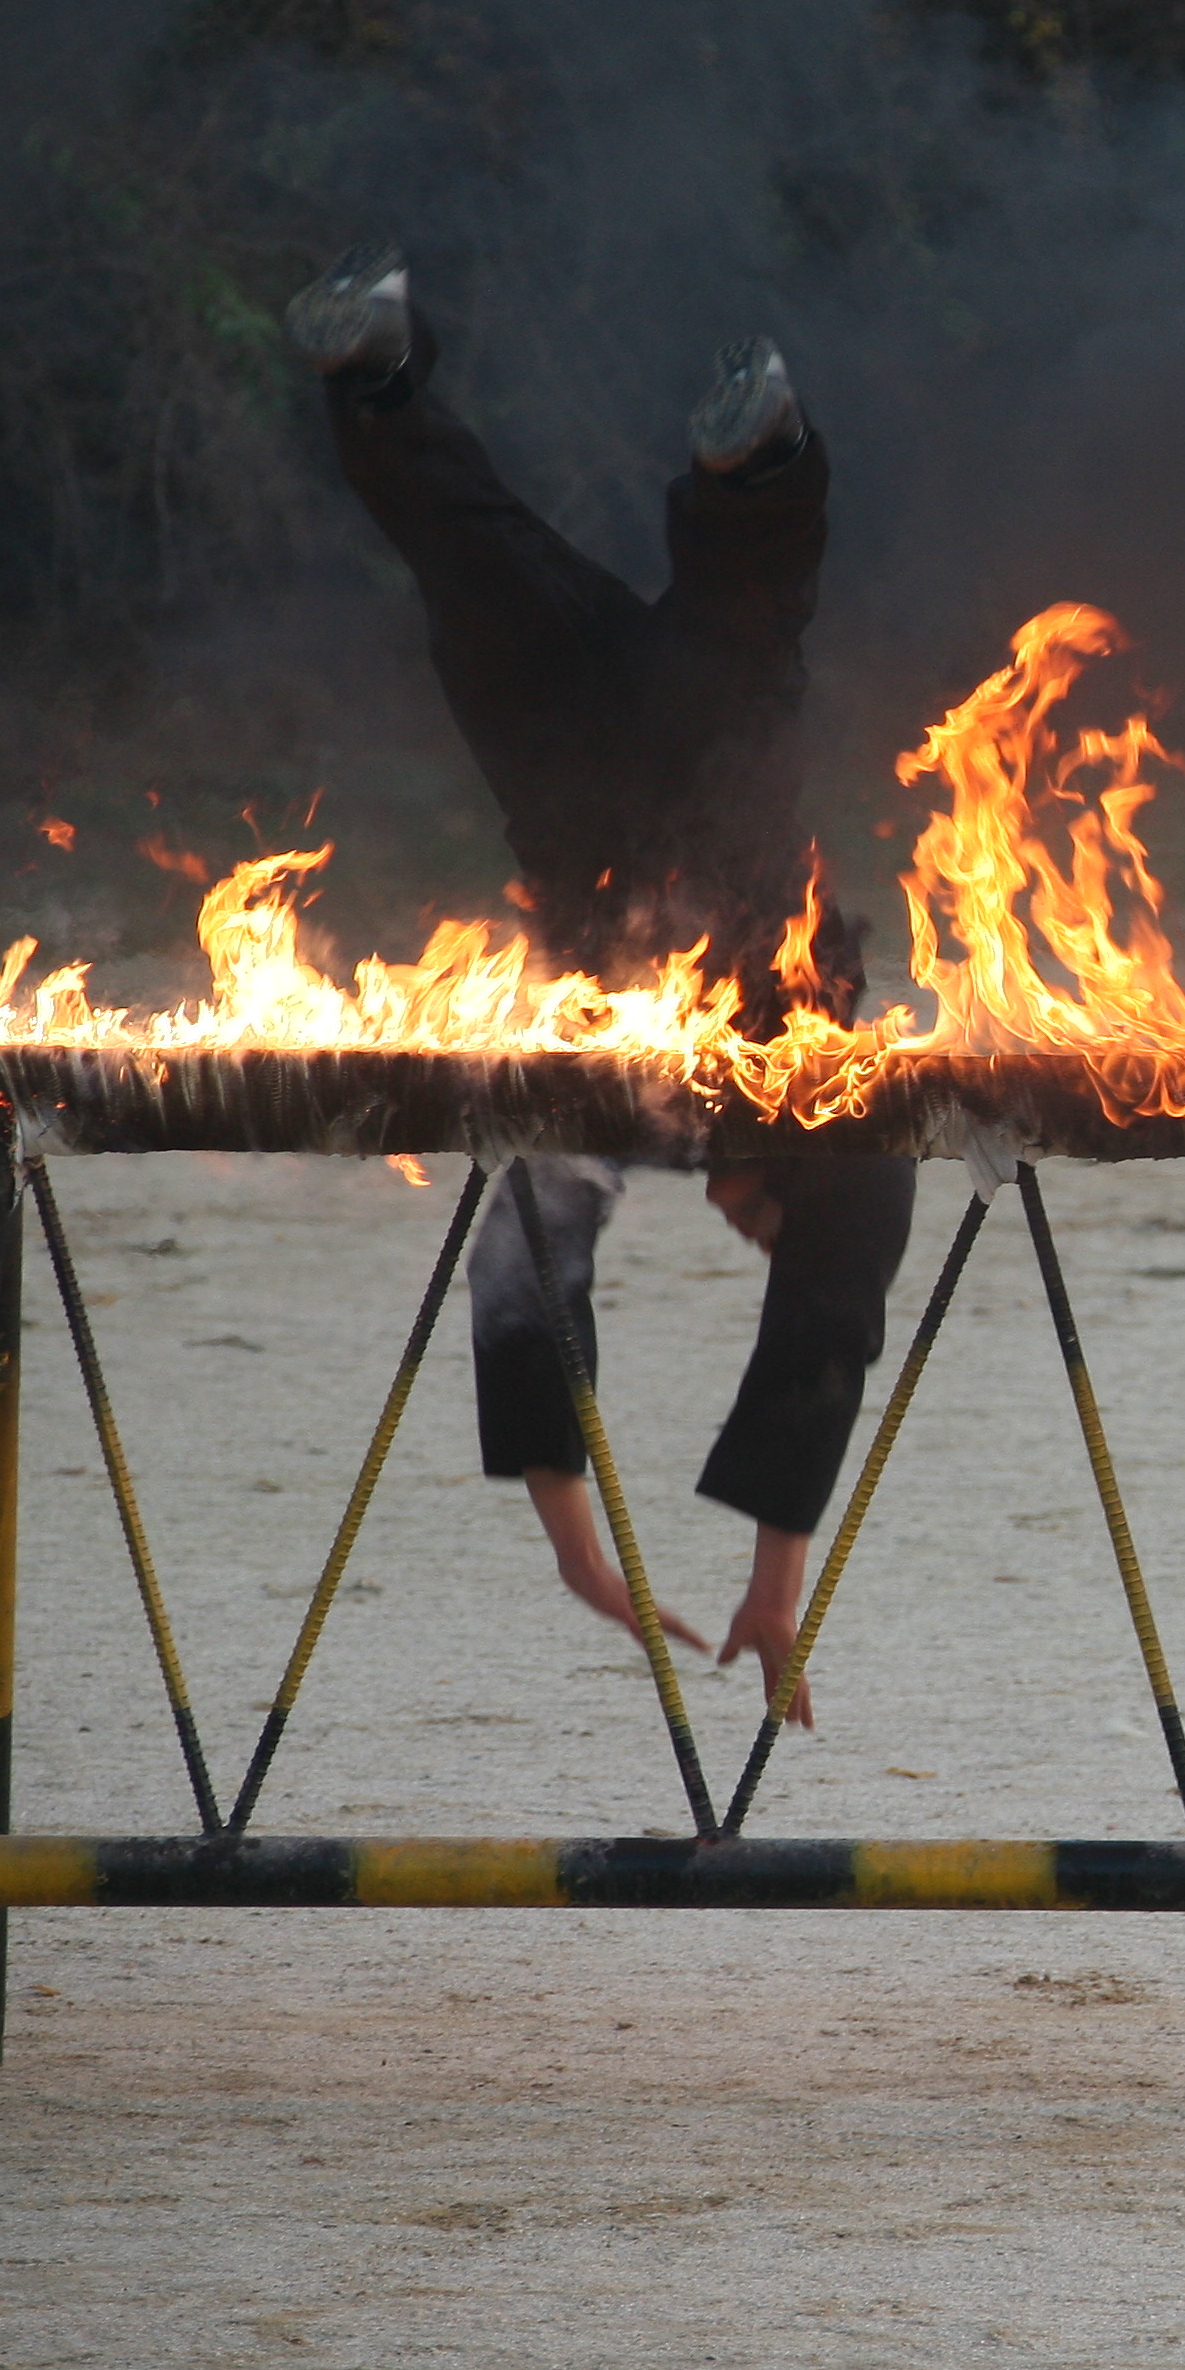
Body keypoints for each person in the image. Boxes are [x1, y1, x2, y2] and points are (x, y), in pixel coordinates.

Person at [286, 244, 916, 1726]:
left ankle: (411, 381)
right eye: (762, 1221)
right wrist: (755, 1581)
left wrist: (622, 1561)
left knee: (493, 558)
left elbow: (531, 1279)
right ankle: (737, 464)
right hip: (655, 789)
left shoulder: (643, 1096)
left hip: (595, 782)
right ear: (781, 1186)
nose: (734, 1220)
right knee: (579, 582)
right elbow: (815, 1311)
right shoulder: (823, 1083)